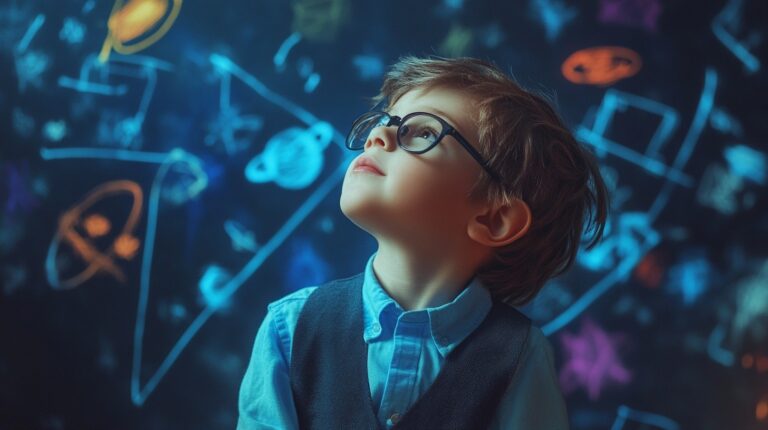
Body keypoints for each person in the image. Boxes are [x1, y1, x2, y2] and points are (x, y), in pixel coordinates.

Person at [237, 55, 609, 429]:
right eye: (385, 121)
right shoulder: (290, 326)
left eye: (425, 132)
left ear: (493, 219)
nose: (377, 136)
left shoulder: (521, 359)